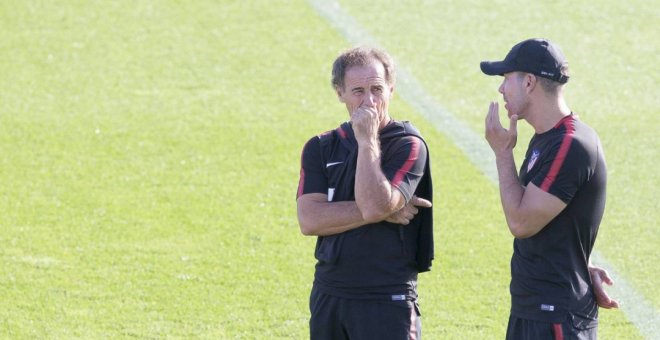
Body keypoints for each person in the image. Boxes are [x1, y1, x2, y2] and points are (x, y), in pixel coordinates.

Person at [480, 38, 619, 339]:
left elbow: (521, 222)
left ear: (529, 81)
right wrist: (584, 264)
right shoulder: (547, 139)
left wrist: (503, 153)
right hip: (536, 310)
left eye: (506, 79)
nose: (501, 90)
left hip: (555, 315)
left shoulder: (570, 144)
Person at [296, 46, 434, 340]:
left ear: (392, 90)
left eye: (377, 89)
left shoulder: (408, 145)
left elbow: (372, 207)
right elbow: (309, 220)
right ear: (339, 92)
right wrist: (387, 210)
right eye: (358, 91)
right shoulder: (320, 148)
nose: (369, 100)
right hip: (330, 294)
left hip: (387, 297)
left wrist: (368, 139)